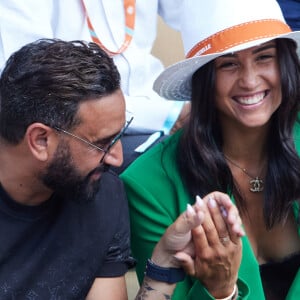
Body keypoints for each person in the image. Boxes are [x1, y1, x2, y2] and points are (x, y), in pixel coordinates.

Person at [0, 38, 244, 300]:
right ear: (40, 140)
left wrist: (165, 265)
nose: (117, 158)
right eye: (101, 144)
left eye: (120, 137)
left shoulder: (103, 194)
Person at [121, 0, 300, 299]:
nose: (250, 80)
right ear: (204, 78)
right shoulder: (149, 184)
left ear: (284, 63)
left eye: (264, 57)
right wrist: (220, 292)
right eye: (228, 63)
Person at [0, 0, 190, 173]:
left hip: (160, 105)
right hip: (78, 130)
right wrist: (170, 114)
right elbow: (33, 92)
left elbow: (201, 14)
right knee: (175, 162)